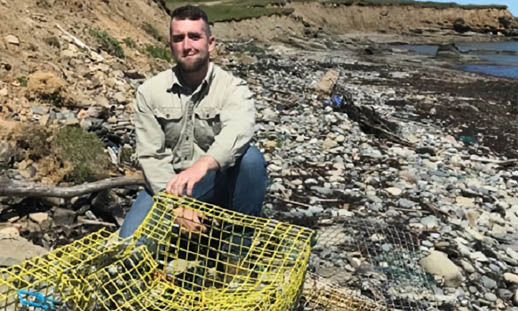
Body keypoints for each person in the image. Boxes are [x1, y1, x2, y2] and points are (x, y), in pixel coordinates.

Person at [120, 5, 268, 239]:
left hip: (214, 181)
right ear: (171, 46)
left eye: (194, 37)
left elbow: (239, 130)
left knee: (251, 160)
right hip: (169, 186)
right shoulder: (149, 92)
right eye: (179, 38)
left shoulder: (233, 89)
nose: (187, 46)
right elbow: (151, 156)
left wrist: (203, 165)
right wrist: (176, 205)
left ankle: (236, 250)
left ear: (210, 43)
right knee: (132, 247)